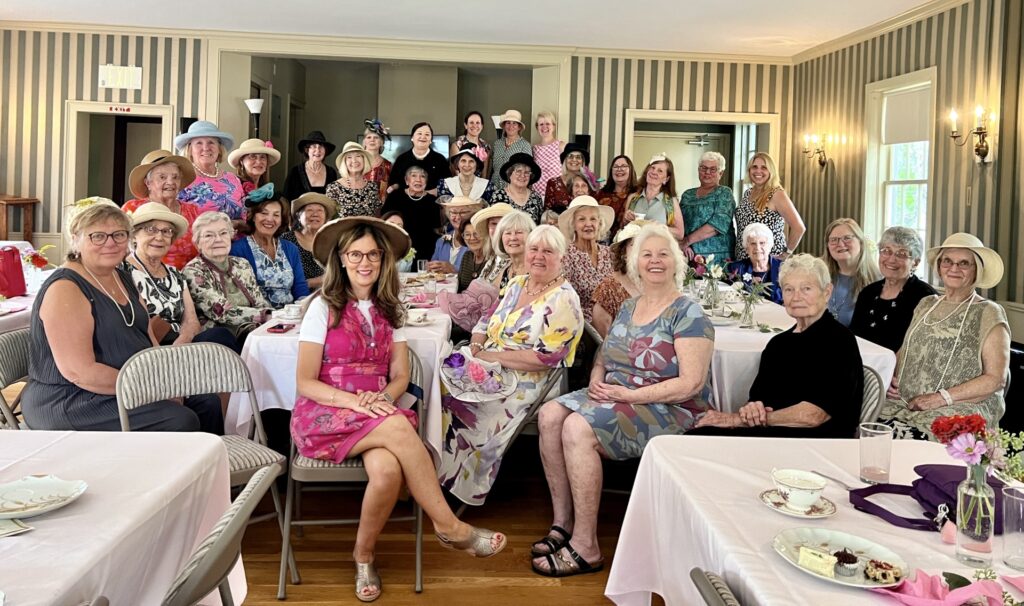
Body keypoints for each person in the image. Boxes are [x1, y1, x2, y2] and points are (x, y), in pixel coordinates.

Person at [290, 216, 507, 601]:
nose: (364, 262)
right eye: (355, 254)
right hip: (326, 410)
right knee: (399, 429)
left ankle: (363, 556)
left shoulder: (393, 310)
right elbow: (305, 382)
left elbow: (400, 376)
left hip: (376, 411)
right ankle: (449, 527)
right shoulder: (322, 308)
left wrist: (383, 399)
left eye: (372, 254)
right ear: (341, 259)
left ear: (384, 260)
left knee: (388, 472)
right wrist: (357, 401)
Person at [531, 223, 713, 577]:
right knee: (550, 414)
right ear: (635, 262)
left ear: (675, 262)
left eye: (663, 254)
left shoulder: (688, 313)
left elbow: (691, 384)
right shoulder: (630, 307)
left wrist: (629, 394)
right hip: (617, 393)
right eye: (647, 254)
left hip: (667, 407)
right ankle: (562, 523)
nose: (654, 261)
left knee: (577, 429)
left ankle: (586, 546)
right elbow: (605, 354)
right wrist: (597, 378)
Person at [21, 199, 223, 433]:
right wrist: (154, 390)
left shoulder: (122, 277)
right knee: (180, 419)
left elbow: (148, 337)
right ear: (76, 239)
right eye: (97, 236)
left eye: (119, 235)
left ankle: (209, 468)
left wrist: (167, 380)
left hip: (127, 382)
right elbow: (80, 372)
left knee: (207, 402)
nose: (110, 243)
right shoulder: (66, 287)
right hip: (73, 398)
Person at [438, 225, 584, 506]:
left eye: (548, 251)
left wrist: (490, 358)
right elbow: (486, 318)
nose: (538, 256)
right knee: (436, 387)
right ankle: (432, 473)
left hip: (529, 379)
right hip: (488, 361)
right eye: (534, 249)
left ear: (562, 257)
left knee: (461, 405)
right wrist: (478, 346)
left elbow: (545, 358)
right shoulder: (518, 283)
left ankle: (456, 485)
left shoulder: (564, 299)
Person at [694, 254, 863, 438]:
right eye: (789, 289)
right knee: (695, 437)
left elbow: (813, 416)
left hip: (817, 442)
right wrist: (753, 409)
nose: (796, 297)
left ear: (827, 292)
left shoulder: (840, 341)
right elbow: (757, 399)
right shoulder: (779, 343)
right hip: (773, 435)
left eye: (806, 288)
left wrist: (737, 419)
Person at [879, 233, 1010, 440]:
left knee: (908, 438)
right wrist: (889, 378)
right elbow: (908, 348)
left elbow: (996, 379)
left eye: (964, 263)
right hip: (906, 399)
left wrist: (941, 398)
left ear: (977, 270)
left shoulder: (988, 311)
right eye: (947, 261)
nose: (954, 268)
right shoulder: (927, 304)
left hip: (958, 405)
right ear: (939, 266)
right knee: (860, 418)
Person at [125, 202, 237, 350]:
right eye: (150, 230)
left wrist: (182, 341)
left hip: (180, 345)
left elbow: (191, 321)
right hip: (144, 349)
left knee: (220, 336)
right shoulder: (122, 271)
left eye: (166, 231)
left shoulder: (175, 274)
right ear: (134, 236)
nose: (159, 237)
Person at [184, 212, 273, 340]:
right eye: (209, 235)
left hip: (252, 330)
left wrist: (274, 314)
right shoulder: (193, 271)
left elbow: (260, 301)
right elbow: (220, 311)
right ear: (198, 243)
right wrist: (265, 315)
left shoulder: (242, 264)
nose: (218, 239)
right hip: (219, 336)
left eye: (223, 233)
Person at [851, 227, 937, 352]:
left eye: (901, 254)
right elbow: (854, 337)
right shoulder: (868, 292)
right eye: (886, 251)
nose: (891, 259)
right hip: (863, 366)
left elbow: (926, 348)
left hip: (901, 369)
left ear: (915, 262)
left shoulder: (926, 297)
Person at [122, 149, 200, 269]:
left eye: (175, 177)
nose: (170, 182)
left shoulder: (193, 211)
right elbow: (120, 247)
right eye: (162, 177)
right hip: (143, 276)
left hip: (190, 279)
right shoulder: (132, 208)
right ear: (148, 183)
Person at [230, 199, 310, 308]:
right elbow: (240, 294)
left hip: (290, 315)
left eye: (276, 215)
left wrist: (304, 309)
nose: (269, 219)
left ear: (282, 220)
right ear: (253, 216)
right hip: (258, 316)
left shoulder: (290, 248)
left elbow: (300, 287)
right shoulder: (238, 249)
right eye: (264, 213)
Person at [734, 152, 804, 260]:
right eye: (754, 167)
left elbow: (799, 228)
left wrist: (786, 254)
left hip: (767, 261)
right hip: (743, 259)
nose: (758, 171)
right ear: (749, 170)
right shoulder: (748, 193)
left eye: (764, 168)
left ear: (771, 171)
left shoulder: (776, 194)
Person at [174, 120, 245, 221]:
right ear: (189, 150)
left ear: (219, 149)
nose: (206, 148)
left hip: (233, 236)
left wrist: (235, 225)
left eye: (211, 142)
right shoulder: (182, 179)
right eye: (199, 143)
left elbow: (244, 217)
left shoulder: (233, 179)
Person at [558, 196, 614, 323]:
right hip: (583, 324)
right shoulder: (567, 256)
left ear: (599, 223)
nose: (588, 224)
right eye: (582, 219)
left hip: (613, 320)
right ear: (574, 225)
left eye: (593, 219)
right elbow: (566, 300)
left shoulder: (609, 253)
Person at [679, 151, 736, 261]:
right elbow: (680, 223)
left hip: (717, 258)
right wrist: (685, 245)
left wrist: (686, 241)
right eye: (703, 168)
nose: (707, 172)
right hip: (689, 255)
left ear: (721, 173)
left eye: (713, 169)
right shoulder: (687, 195)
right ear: (698, 170)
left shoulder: (724, 193)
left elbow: (718, 225)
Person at [823, 218, 880, 326]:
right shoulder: (819, 275)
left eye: (847, 238)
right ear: (828, 246)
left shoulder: (878, 281)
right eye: (834, 240)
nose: (840, 244)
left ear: (861, 242)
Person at [591, 221, 642, 338]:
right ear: (623, 251)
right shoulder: (608, 289)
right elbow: (602, 341)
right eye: (634, 245)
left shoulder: (654, 284)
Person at [381, 164, 439, 264]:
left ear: (426, 181)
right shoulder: (395, 197)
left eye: (423, 176)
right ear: (406, 180)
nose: (418, 180)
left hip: (425, 248)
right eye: (414, 176)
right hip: (398, 245)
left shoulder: (431, 201)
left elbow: (435, 227)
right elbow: (384, 222)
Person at [281, 193, 338, 290]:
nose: (315, 214)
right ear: (299, 216)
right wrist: (318, 281)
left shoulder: (333, 242)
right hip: (295, 297)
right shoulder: (286, 240)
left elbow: (340, 274)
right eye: (309, 210)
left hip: (328, 295)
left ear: (326, 218)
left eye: (320, 210)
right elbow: (282, 277)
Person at [623, 155, 684, 240]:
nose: (654, 172)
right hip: (634, 249)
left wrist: (658, 228)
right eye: (652, 168)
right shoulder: (632, 198)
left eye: (660, 171)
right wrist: (625, 219)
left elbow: (680, 234)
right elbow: (624, 228)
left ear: (666, 179)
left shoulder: (671, 202)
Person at [387, 122, 449, 196]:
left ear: (431, 140)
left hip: (432, 202)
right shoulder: (402, 159)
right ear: (412, 138)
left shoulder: (440, 159)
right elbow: (394, 182)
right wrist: (394, 187)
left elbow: (447, 185)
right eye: (419, 133)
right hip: (405, 202)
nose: (423, 137)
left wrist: (426, 194)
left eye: (427, 134)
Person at [727, 223, 783, 304]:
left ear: (770, 246)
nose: (757, 248)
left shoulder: (783, 268)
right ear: (746, 248)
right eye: (753, 243)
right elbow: (729, 297)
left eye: (762, 243)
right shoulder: (736, 268)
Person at [483, 210, 536, 293]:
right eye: (508, 233)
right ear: (500, 238)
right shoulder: (503, 266)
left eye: (519, 232)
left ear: (531, 236)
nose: (513, 238)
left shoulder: (537, 267)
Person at [327, 141, 382, 219]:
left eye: (358, 156)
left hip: (367, 230)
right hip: (343, 230)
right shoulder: (333, 188)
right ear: (344, 162)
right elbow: (329, 217)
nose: (354, 160)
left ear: (364, 160)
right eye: (349, 157)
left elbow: (377, 214)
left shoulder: (372, 186)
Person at [430, 196, 483, 274]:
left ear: (473, 214)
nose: (458, 217)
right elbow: (433, 267)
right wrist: (430, 267)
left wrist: (453, 269)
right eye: (454, 212)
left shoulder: (476, 240)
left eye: (463, 212)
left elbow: (478, 270)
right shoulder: (441, 241)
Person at [282, 131, 339, 202]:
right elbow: (285, 199)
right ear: (307, 150)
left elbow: (334, 200)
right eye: (314, 146)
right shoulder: (295, 171)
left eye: (321, 146)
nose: (317, 150)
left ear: (325, 151)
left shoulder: (331, 172)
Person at [491, 153, 544, 223]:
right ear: (509, 174)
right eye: (518, 171)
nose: (522, 175)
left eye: (527, 172)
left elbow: (540, 225)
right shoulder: (498, 196)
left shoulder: (536, 197)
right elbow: (494, 224)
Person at [489, 109, 533, 190]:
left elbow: (528, 170)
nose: (511, 126)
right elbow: (492, 167)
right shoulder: (497, 144)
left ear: (519, 127)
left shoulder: (525, 145)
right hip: (494, 187)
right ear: (504, 126)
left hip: (514, 188)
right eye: (508, 123)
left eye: (514, 123)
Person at [544, 143, 593, 213]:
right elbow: (547, 212)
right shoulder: (553, 183)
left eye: (578, 157)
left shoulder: (589, 183)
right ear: (565, 160)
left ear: (582, 162)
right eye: (570, 156)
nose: (574, 159)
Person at [595, 155, 638, 234]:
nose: (619, 169)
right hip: (602, 241)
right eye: (615, 167)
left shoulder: (638, 194)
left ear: (631, 170)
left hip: (628, 241)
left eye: (624, 166)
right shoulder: (600, 194)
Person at [531, 111, 565, 199]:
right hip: (537, 196)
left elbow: (568, 173)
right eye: (541, 124)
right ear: (537, 127)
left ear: (553, 126)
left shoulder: (561, 146)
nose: (544, 127)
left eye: (548, 124)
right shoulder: (534, 149)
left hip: (556, 195)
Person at [450, 111, 492, 178]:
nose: (475, 126)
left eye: (478, 123)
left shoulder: (486, 146)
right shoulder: (457, 145)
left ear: (482, 126)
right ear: (466, 125)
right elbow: (457, 173)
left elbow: (484, 174)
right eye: (471, 122)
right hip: (461, 185)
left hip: (480, 185)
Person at [455, 213, 489, 292]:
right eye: (467, 234)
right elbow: (459, 288)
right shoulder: (467, 256)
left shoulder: (493, 259)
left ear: (486, 234)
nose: (472, 238)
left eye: (476, 233)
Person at [362, 118, 393, 200]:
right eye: (369, 137)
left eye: (376, 137)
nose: (372, 140)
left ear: (382, 142)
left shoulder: (388, 165)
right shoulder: (356, 163)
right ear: (364, 142)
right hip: (359, 209)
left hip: (382, 209)